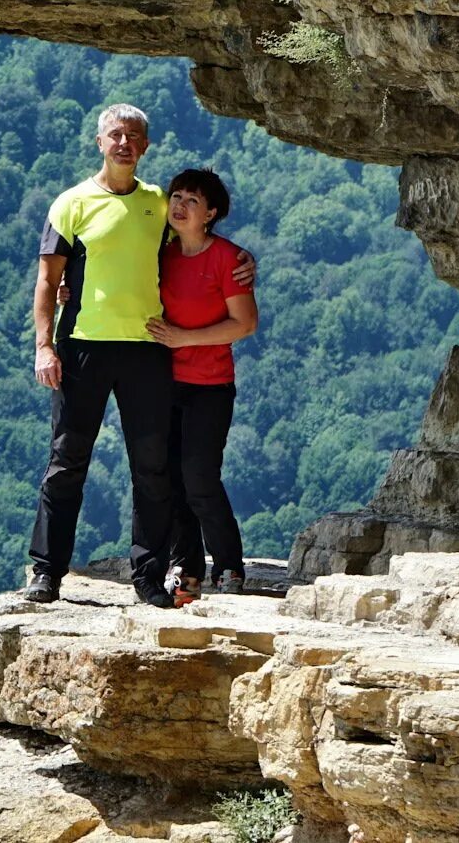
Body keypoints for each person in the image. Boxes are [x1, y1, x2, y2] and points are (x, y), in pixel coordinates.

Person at [20, 104, 250, 607]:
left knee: (152, 469)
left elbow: (196, 243)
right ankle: (46, 570)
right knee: (67, 461)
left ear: (145, 147)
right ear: (99, 142)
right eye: (116, 135)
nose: (125, 143)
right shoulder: (72, 203)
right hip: (82, 346)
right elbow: (46, 279)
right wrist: (43, 346)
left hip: (147, 349)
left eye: (134, 137)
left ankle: (147, 576)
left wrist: (242, 260)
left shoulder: (158, 205)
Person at [148, 168, 257, 599]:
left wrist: (184, 338)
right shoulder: (162, 252)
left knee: (200, 478)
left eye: (192, 200)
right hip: (162, 383)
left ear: (210, 213)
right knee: (170, 478)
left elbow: (245, 324)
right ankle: (187, 569)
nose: (180, 205)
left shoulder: (227, 259)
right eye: (176, 196)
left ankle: (229, 566)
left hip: (210, 384)